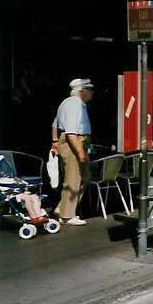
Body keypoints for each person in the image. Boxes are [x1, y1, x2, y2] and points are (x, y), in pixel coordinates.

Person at [52, 78, 94, 225]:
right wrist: (81, 153)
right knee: (73, 178)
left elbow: (55, 124)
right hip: (74, 142)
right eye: (90, 90)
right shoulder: (74, 105)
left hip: (75, 142)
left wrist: (55, 141)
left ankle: (62, 208)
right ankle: (66, 216)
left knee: (85, 176)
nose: (92, 93)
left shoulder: (69, 103)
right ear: (82, 91)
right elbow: (70, 132)